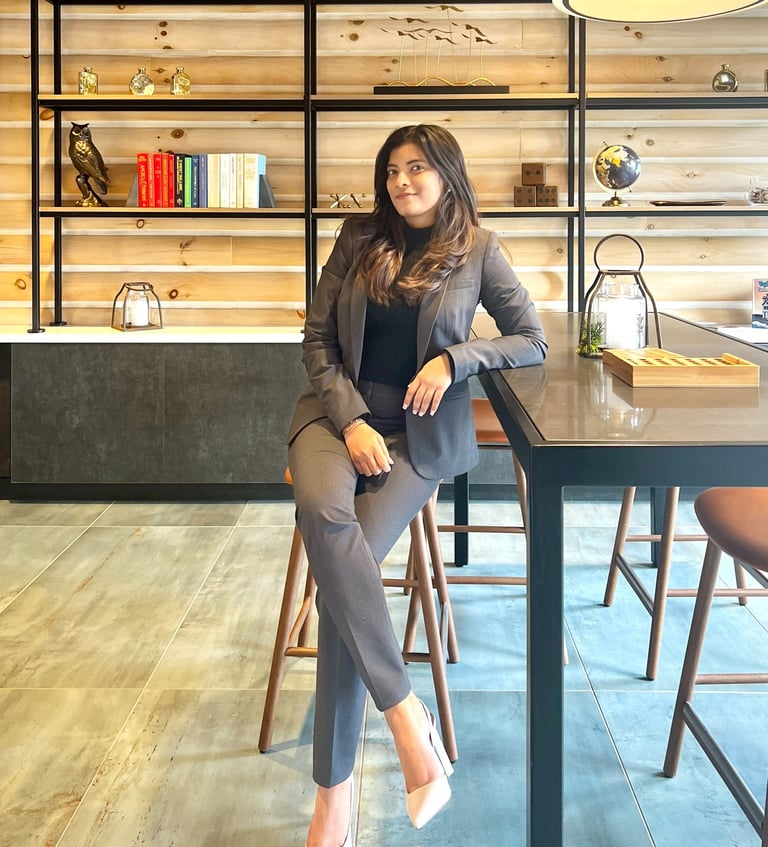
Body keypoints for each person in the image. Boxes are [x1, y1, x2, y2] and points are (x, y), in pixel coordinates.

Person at [287, 124, 547, 847]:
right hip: (337, 418)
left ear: (447, 175)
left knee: (349, 574)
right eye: (393, 170)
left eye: (417, 169)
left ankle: (332, 798)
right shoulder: (358, 236)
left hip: (419, 434)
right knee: (321, 508)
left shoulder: (480, 249)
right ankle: (407, 717)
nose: (402, 182)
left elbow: (531, 339)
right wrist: (351, 420)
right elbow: (316, 339)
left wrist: (456, 359)